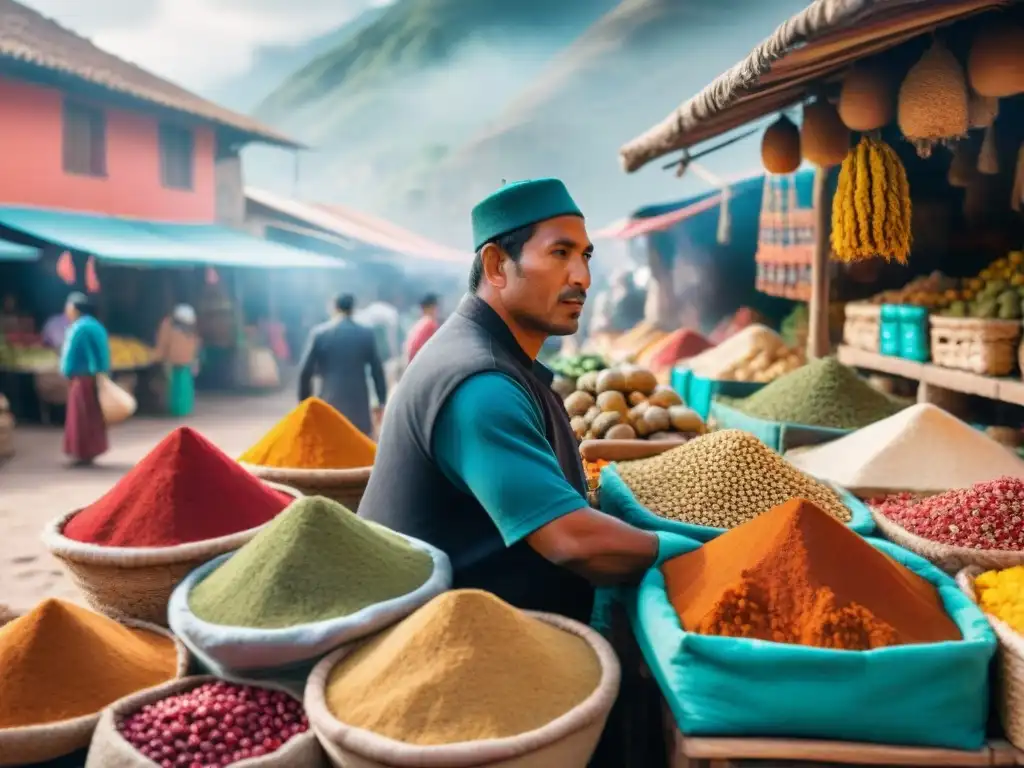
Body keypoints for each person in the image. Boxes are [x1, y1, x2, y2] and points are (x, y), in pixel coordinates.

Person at [359, 179, 686, 767]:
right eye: (560, 253)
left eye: (586, 256)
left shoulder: (499, 358)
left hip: (496, 639)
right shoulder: (479, 384)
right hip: (455, 677)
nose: (583, 276)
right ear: (496, 264)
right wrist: (695, 551)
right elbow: (570, 541)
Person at [298, 294, 387, 437]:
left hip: (329, 405)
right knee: (359, 451)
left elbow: (305, 372)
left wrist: (304, 404)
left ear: (334, 308)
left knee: (331, 449)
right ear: (353, 309)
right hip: (358, 409)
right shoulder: (366, 334)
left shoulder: (320, 334)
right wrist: (381, 401)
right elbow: (377, 370)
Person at [59, 292, 111, 466]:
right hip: (94, 377)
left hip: (82, 378)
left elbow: (76, 355)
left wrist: (68, 373)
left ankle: (82, 452)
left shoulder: (80, 328)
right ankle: (89, 451)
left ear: (75, 309)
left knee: (81, 417)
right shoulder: (96, 326)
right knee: (92, 416)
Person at [155, 304, 201, 418]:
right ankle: (181, 409)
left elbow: (162, 345)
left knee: (178, 387)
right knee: (181, 387)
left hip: (178, 363)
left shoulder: (170, 327)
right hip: (182, 363)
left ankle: (180, 409)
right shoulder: (184, 330)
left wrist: (159, 357)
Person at [403, 293, 441, 363]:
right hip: (420, 363)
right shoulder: (430, 324)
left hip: (411, 363)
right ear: (431, 307)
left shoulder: (418, 323)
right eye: (435, 306)